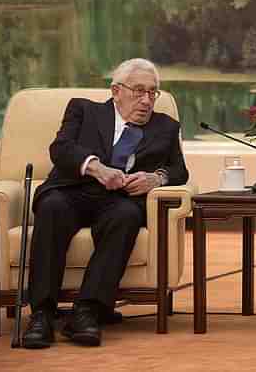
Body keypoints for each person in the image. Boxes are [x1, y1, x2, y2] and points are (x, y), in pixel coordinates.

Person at [22, 58, 189, 348]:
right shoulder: (83, 110)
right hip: (72, 190)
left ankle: (86, 312)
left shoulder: (166, 127)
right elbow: (61, 149)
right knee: (51, 208)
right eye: (138, 91)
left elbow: (178, 170)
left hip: (119, 200)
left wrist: (155, 178)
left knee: (126, 216)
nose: (146, 100)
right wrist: (96, 167)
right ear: (116, 91)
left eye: (152, 93)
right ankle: (42, 314)